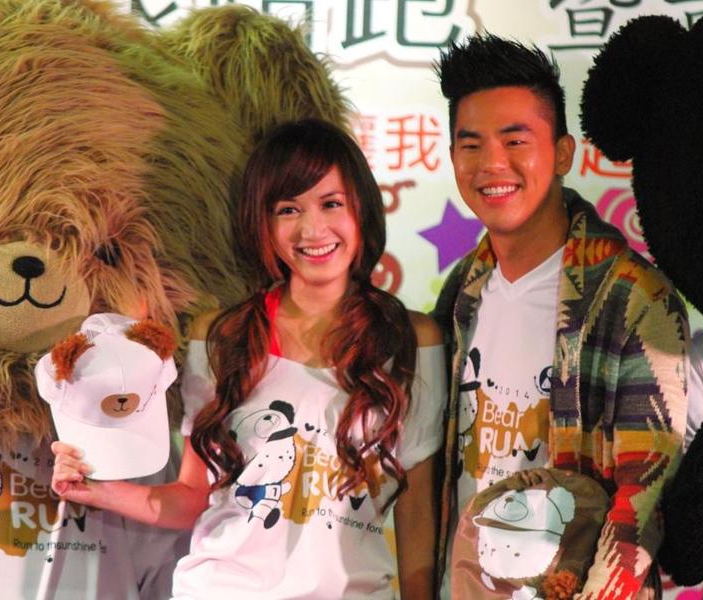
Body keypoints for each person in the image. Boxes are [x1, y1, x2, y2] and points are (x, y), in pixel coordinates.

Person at [52, 118, 445, 599]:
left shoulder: (411, 340)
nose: (312, 229)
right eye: (288, 209)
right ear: (264, 224)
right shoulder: (222, 336)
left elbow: (417, 511)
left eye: (331, 204)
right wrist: (94, 490)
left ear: (362, 209)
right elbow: (191, 497)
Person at [430, 34, 689, 598]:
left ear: (564, 153)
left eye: (515, 140)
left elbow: (643, 500)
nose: (492, 164)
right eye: (471, 144)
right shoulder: (463, 291)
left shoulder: (632, 298)